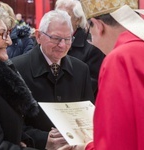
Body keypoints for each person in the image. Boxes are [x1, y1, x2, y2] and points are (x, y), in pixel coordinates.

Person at [57, 0, 144, 150]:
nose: (93, 42)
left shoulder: (119, 58)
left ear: (98, 26)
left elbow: (115, 144)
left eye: (90, 36)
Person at [0, 5, 68, 150]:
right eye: (2, 34)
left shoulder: (3, 71)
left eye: (8, 33)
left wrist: (31, 142)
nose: (9, 41)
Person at [12, 10, 94, 132]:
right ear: (39, 36)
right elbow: (12, 123)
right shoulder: (16, 68)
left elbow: (88, 117)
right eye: (56, 38)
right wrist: (43, 140)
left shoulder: (81, 69)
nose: (62, 45)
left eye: (67, 39)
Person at [55, 0, 105, 99]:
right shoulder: (48, 39)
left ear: (77, 20)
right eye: (57, 15)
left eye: (66, 15)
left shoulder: (92, 45)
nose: (60, 19)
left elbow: (91, 83)